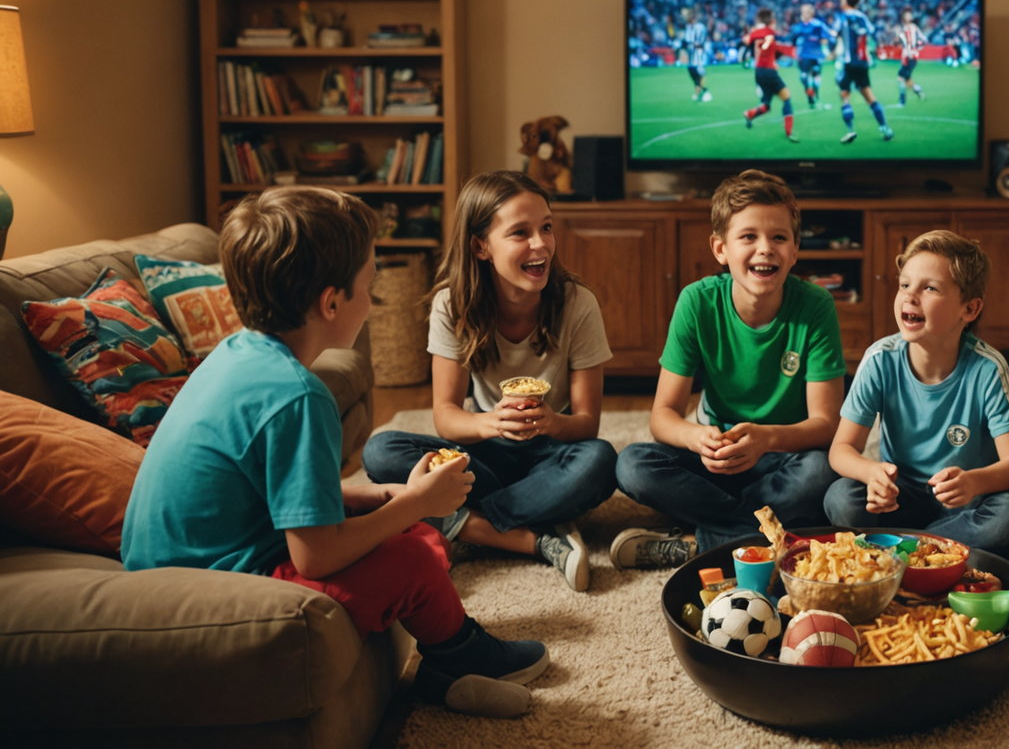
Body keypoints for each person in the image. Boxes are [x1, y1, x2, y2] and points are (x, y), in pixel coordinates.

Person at [122, 187, 547, 716]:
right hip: (211, 594)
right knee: (414, 551)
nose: (372, 303)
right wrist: (414, 503)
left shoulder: (237, 353)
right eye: (369, 287)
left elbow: (259, 486)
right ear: (330, 302)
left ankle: (441, 663)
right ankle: (462, 655)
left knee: (410, 527)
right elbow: (315, 556)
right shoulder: (297, 396)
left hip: (177, 571)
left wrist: (373, 497)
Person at [362, 171, 617, 593]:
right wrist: (492, 424)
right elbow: (445, 416)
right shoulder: (452, 304)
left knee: (601, 461)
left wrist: (551, 422)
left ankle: (464, 525)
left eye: (547, 228)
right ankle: (533, 535)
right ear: (480, 246)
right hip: (484, 452)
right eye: (520, 232)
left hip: (553, 455)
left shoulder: (577, 303)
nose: (541, 244)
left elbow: (587, 424)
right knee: (381, 450)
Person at [612, 169, 844, 567]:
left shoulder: (815, 306)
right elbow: (663, 416)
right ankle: (761, 535)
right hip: (714, 459)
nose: (765, 248)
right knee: (632, 464)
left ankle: (705, 542)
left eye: (779, 238)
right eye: (748, 237)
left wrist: (765, 439)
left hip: (781, 455)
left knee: (822, 472)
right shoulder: (697, 302)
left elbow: (825, 425)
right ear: (721, 249)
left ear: (794, 249)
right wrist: (697, 437)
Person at [824, 230, 1009, 586]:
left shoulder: (988, 368)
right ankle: (947, 560)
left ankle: (895, 560)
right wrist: (871, 473)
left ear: (969, 309)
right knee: (841, 497)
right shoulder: (879, 360)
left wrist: (974, 481)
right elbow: (841, 450)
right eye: (904, 285)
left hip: (969, 503)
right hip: (902, 498)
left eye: (929, 288)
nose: (910, 296)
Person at [835, 0, 894, 144]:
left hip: (849, 63)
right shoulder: (863, 17)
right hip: (862, 63)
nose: (841, 2)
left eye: (842, 0)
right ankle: (885, 128)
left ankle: (850, 130)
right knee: (869, 96)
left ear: (847, 2)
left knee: (844, 96)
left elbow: (833, 34)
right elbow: (873, 33)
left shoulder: (843, 18)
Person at [742, 8, 796, 143]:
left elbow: (750, 45)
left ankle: (750, 114)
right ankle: (789, 132)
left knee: (766, 103)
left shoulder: (754, 34)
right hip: (769, 71)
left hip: (758, 72)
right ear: (771, 20)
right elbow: (776, 47)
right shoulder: (770, 33)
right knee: (786, 97)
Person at [790, 2, 835, 110]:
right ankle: (810, 96)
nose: (804, 14)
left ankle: (816, 99)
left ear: (812, 12)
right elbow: (792, 40)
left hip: (816, 55)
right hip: (803, 56)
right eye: (803, 12)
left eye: (806, 11)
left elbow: (828, 37)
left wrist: (827, 50)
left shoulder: (818, 25)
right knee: (804, 77)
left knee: (816, 78)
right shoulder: (798, 27)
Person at [679, 7, 713, 102]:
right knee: (692, 71)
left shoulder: (699, 27)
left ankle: (703, 91)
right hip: (691, 54)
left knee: (700, 72)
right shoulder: (688, 27)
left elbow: (699, 42)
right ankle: (700, 89)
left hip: (699, 54)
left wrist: (688, 43)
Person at [895, 8, 927, 108]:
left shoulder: (914, 28)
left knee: (902, 78)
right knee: (905, 79)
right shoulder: (903, 28)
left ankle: (902, 101)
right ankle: (918, 92)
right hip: (905, 56)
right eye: (906, 15)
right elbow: (898, 40)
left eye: (909, 15)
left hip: (912, 56)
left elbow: (923, 40)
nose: (908, 17)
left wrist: (916, 49)